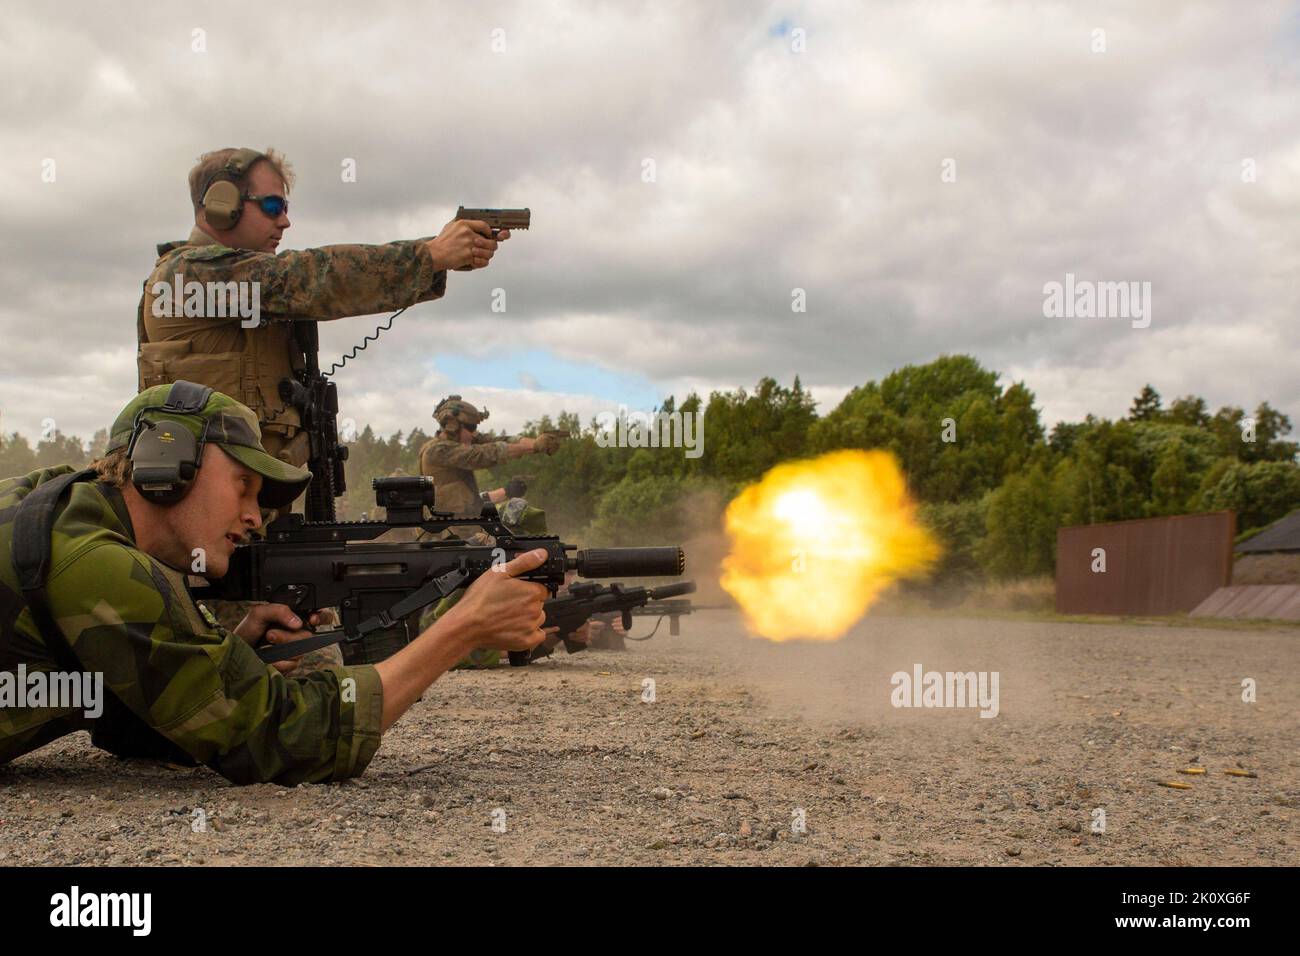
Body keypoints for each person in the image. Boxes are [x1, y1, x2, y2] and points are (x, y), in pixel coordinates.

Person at [0, 383, 549, 784]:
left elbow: (125, 715)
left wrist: (227, 656)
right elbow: (283, 738)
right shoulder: (97, 564)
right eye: (242, 486)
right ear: (164, 464)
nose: (253, 517)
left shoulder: (49, 501)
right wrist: (462, 627)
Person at [136, 147, 510, 468]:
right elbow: (310, 279)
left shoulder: (233, 281)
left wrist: (439, 253)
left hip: (238, 500)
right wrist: (430, 255)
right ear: (222, 206)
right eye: (271, 206)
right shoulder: (185, 274)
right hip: (200, 508)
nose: (284, 220)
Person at [419, 395, 562, 531]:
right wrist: (534, 447)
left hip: (461, 531)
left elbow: (499, 441)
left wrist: (538, 443)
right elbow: (484, 454)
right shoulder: (437, 451)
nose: (474, 433)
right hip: (447, 537)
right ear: (452, 426)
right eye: (471, 427)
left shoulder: (459, 441)